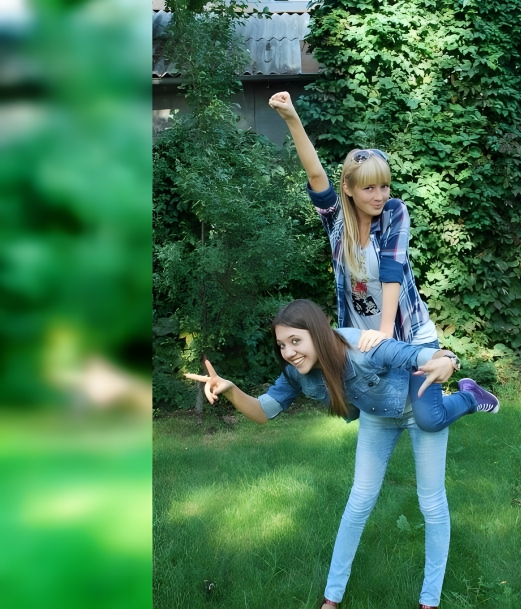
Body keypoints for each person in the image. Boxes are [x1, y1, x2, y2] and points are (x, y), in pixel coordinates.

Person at [185, 299, 499, 609]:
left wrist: (447, 360)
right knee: (359, 502)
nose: (289, 352)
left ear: (318, 333)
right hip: (377, 417)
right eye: (281, 345)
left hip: (415, 403)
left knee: (431, 502)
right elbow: (262, 412)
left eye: (295, 341)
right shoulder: (297, 372)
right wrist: (230, 389)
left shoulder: (363, 347)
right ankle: (331, 599)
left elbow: (419, 354)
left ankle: (429, 601)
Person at [267, 91, 499, 435]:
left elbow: (392, 271)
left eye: (384, 186)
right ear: (348, 188)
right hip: (366, 343)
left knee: (429, 419)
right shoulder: (336, 223)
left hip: (408, 334)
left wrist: (386, 331)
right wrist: (291, 118)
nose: (379, 196)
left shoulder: (394, 213)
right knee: (373, 411)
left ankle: (469, 395)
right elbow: (316, 175)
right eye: (369, 188)